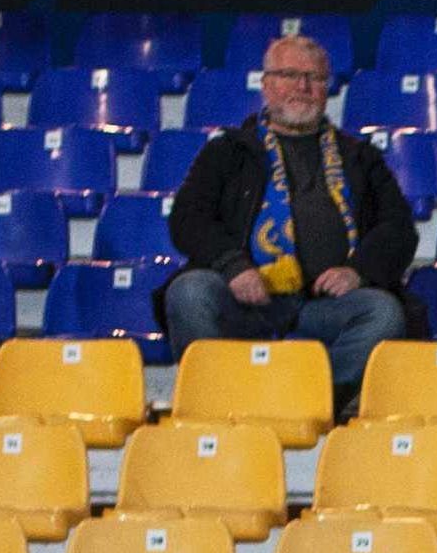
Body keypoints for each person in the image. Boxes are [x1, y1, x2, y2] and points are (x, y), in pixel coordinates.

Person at [160, 33, 417, 411]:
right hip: (245, 301)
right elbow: (188, 218)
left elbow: (399, 229)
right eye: (289, 75)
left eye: (314, 78)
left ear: (327, 88)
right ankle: (221, 405)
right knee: (190, 292)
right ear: (266, 85)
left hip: (324, 307)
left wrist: (357, 272)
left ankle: (301, 403)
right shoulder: (228, 151)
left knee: (382, 314)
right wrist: (233, 267)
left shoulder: (360, 157)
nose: (302, 87)